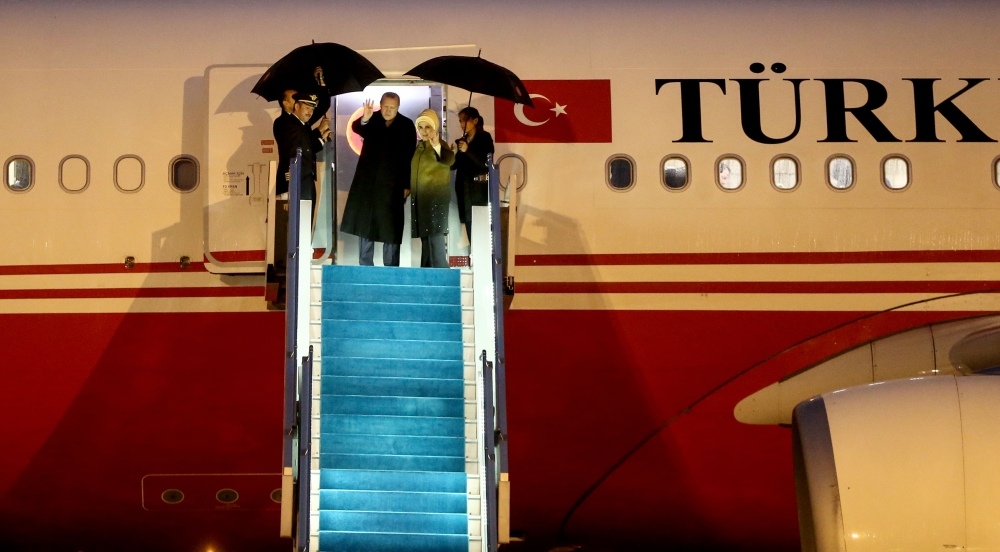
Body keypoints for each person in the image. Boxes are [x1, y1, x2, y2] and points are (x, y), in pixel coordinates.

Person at [340, 92, 417, 266]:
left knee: (391, 226)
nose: (388, 110)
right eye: (386, 107)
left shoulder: (406, 124)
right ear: (380, 105)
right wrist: (365, 119)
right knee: (366, 223)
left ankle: (391, 267)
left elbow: (408, 156)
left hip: (393, 184)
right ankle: (365, 265)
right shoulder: (372, 118)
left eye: (392, 107)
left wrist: (406, 184)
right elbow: (356, 127)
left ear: (398, 107)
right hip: (369, 183)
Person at [410, 109, 455, 268]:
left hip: (434, 201)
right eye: (420, 127)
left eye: (427, 127)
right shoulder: (420, 146)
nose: (424, 131)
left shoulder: (439, 145)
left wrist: (436, 145)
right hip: (422, 201)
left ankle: (441, 277)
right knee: (427, 243)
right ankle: (427, 276)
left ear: (435, 127)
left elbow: (449, 160)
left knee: (435, 243)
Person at [274, 92, 330, 201]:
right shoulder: (288, 124)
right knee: (295, 211)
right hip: (296, 180)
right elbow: (299, 151)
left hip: (303, 179)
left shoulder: (301, 124)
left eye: (312, 109)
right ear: (297, 106)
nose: (310, 112)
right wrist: (320, 138)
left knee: (306, 211)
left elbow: (305, 144)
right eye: (307, 108)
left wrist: (321, 137)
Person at [452, 107, 494, 243]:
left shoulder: (484, 138)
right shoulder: (461, 141)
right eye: (460, 121)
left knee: (481, 229)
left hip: (478, 191)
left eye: (465, 120)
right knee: (469, 226)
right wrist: (452, 155)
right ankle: (474, 253)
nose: (462, 124)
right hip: (463, 190)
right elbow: (454, 166)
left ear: (475, 121)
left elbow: (485, 163)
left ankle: (482, 254)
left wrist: (467, 150)